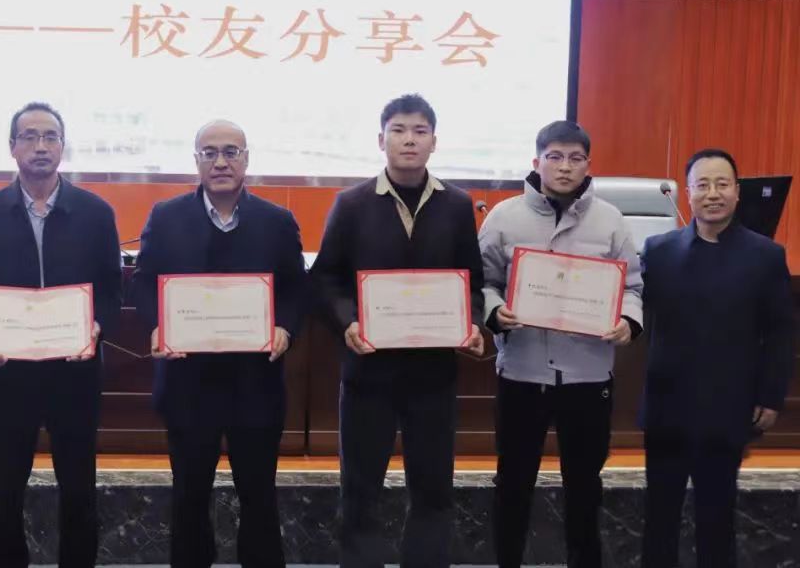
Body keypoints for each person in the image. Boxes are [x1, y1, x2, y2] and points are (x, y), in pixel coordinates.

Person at [311, 93, 485, 568]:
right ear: (381, 139)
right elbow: (326, 278)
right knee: (360, 490)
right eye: (399, 131)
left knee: (433, 490)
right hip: (369, 372)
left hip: (433, 374)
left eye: (419, 131)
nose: (409, 140)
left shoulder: (457, 205)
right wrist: (347, 321)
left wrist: (471, 322)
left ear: (434, 142)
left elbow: (472, 280)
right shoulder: (351, 204)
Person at [130, 119, 308, 568]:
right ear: (196, 160)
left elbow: (296, 289)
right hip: (188, 384)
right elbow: (144, 282)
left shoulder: (276, 221)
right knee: (189, 499)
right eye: (209, 153)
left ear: (247, 159)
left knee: (259, 499)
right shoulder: (166, 217)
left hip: (255, 385)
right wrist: (157, 324)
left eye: (231, 151)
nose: (221, 161)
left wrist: (285, 327)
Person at [0, 102, 122, 568]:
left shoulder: (96, 213)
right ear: (12, 147)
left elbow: (112, 290)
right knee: (5, 489)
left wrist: (97, 325)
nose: (40, 146)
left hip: (75, 374)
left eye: (50, 136)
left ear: (62, 146)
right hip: (8, 374)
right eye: (29, 136)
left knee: (79, 489)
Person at [477, 120, 643, 568]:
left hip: (588, 374)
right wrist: (494, 310)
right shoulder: (504, 217)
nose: (565, 166)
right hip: (522, 372)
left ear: (588, 164)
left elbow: (632, 286)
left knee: (584, 486)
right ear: (537, 162)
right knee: (513, 483)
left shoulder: (610, 220)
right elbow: (483, 282)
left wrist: (629, 321)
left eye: (575, 158)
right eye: (554, 157)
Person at [640, 148, 795, 568]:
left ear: (737, 192)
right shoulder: (658, 251)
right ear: (687, 192)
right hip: (667, 408)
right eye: (703, 185)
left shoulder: (765, 256)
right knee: (659, 519)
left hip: (727, 408)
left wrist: (770, 395)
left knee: (717, 519)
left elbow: (780, 332)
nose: (713, 193)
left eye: (722, 184)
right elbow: (631, 308)